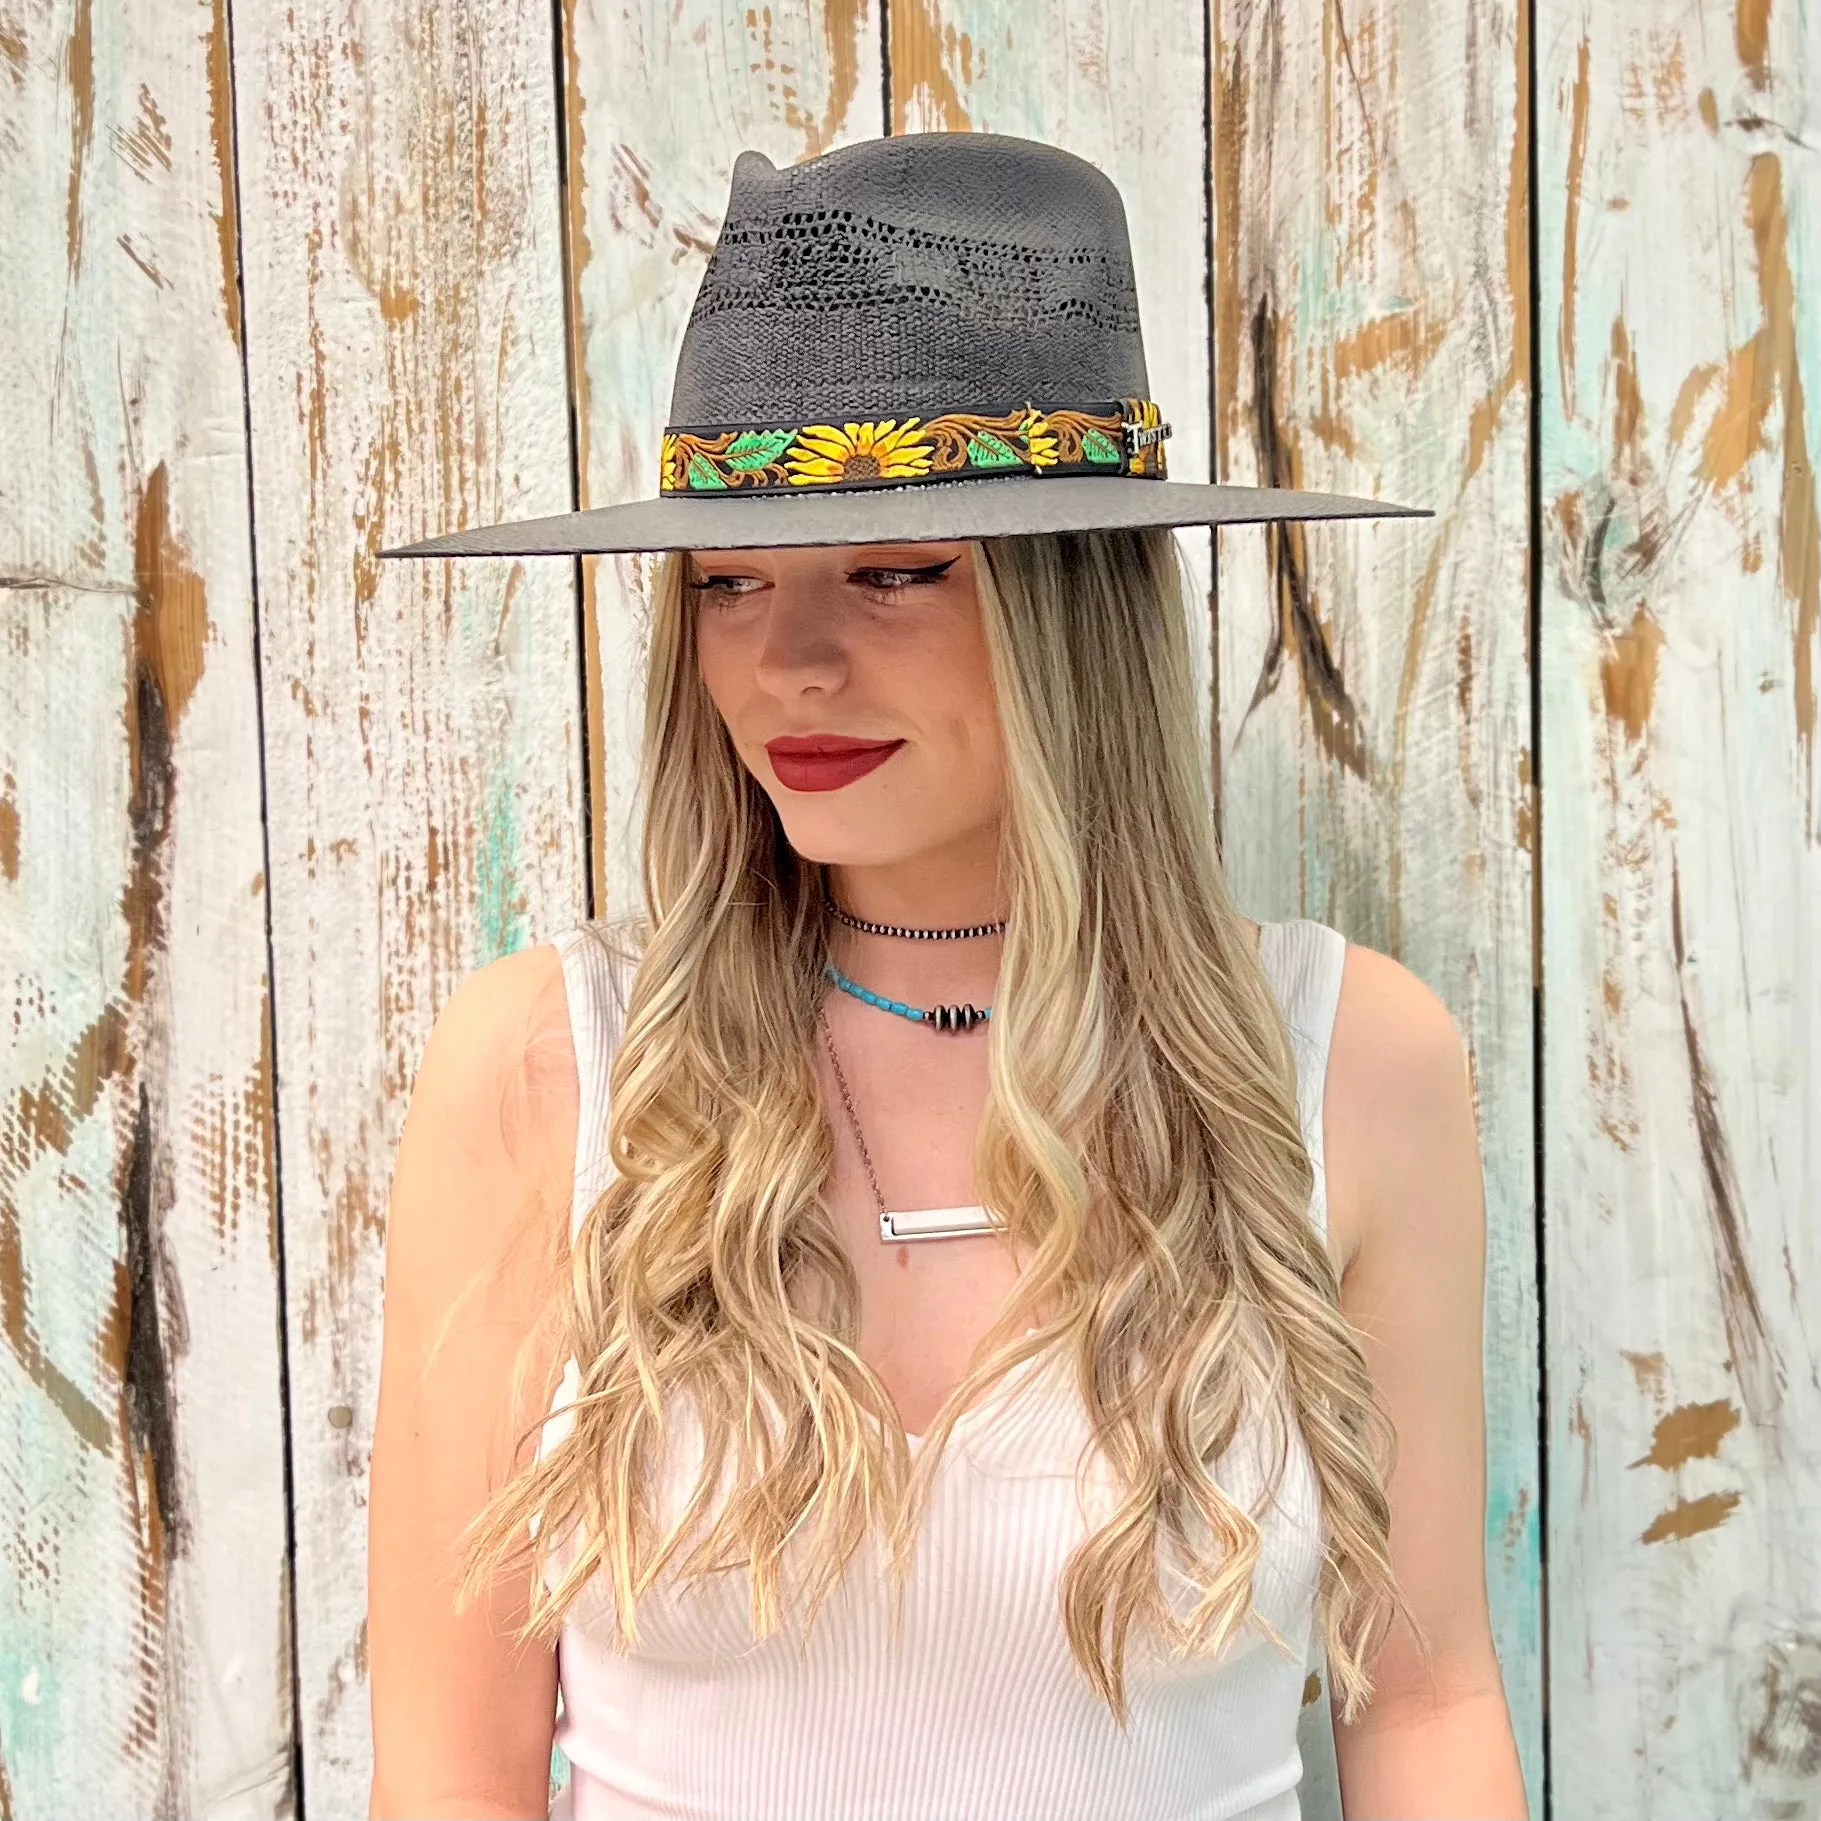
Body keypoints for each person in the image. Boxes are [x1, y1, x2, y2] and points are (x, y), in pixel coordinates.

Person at [365, 132, 1527, 1819]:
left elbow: (1424, 1702)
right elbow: (450, 1765)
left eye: (900, 570)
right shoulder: (555, 1067)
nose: (792, 660)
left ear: (1082, 607)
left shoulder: (1344, 1061)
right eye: (730, 581)